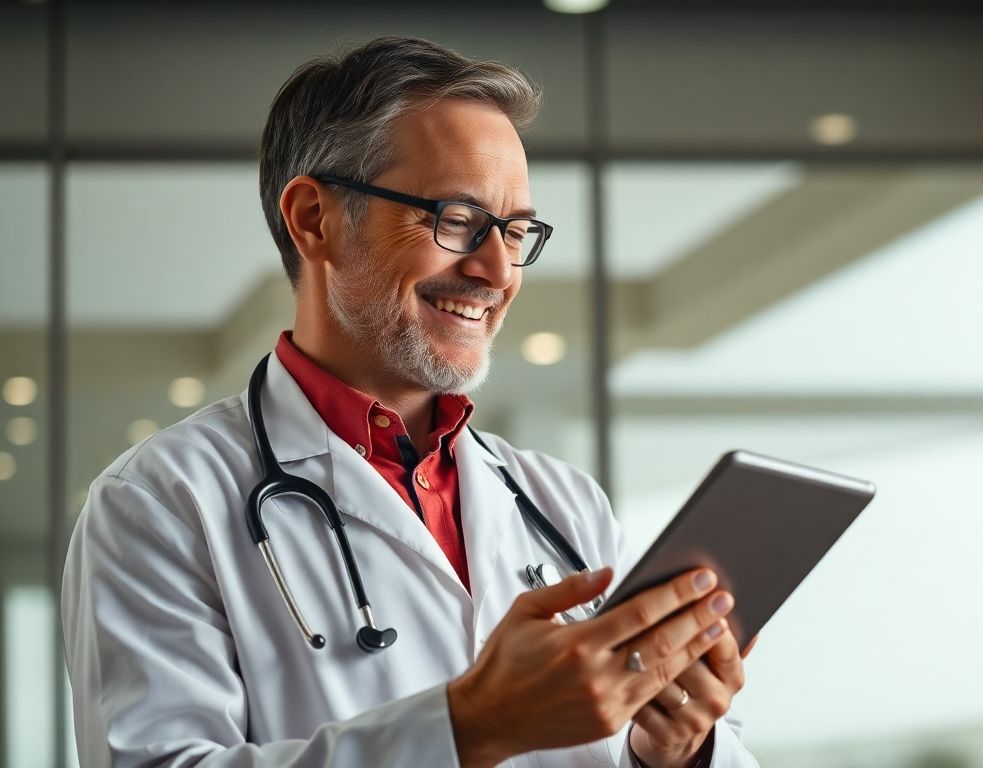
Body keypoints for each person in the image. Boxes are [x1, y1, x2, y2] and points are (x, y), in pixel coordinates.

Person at [61, 37, 758, 768]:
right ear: (314, 219)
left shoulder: (566, 505)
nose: (495, 270)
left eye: (516, 231)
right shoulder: (162, 502)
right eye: (457, 220)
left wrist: (675, 752)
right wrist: (469, 726)